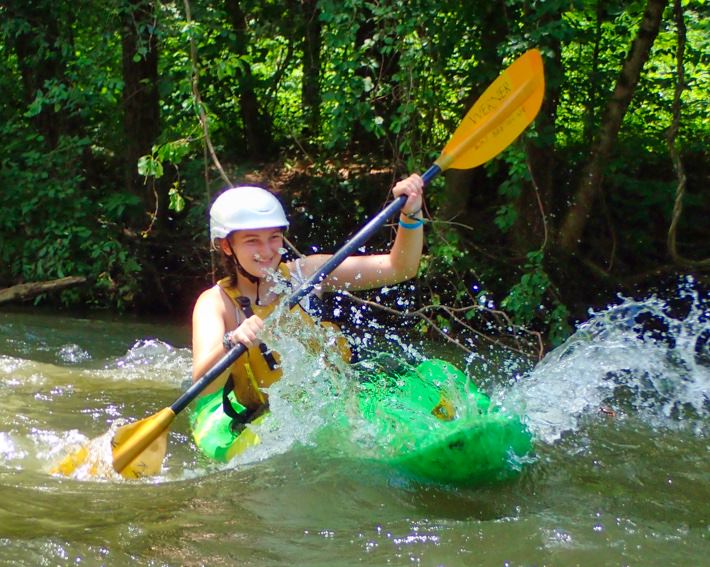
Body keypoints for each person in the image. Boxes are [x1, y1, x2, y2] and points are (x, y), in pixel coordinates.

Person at [190, 174, 424, 461]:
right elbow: (202, 384)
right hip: (269, 416)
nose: (266, 251)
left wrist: (411, 212)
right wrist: (232, 340)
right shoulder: (215, 303)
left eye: (274, 238)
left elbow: (399, 268)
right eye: (252, 241)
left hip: (335, 402)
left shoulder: (307, 274)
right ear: (227, 246)